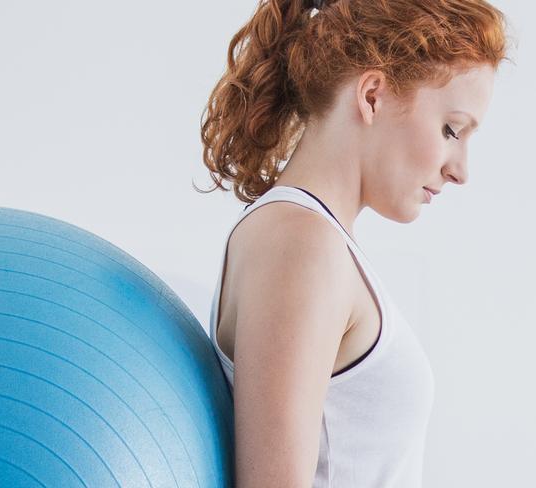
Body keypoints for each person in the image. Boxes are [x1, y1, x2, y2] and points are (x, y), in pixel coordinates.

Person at [196, 0, 512, 486]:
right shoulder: (301, 244)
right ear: (371, 95)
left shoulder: (312, 240)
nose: (461, 170)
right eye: (451, 129)